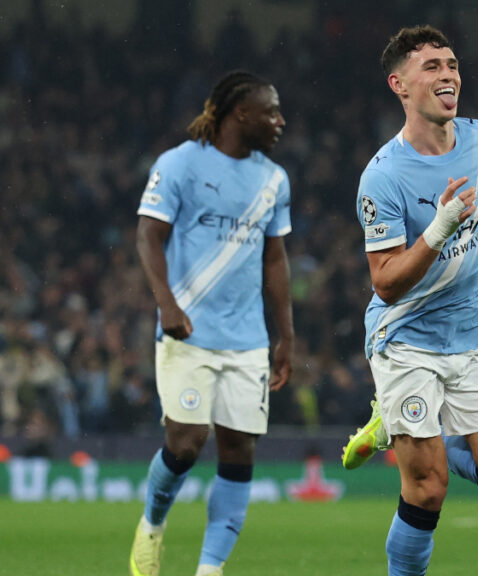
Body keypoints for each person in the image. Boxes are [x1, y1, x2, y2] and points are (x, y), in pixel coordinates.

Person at [340, 26, 478, 575]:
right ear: (399, 85)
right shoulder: (383, 177)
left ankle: (402, 432)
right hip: (405, 339)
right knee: (427, 489)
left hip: (470, 337)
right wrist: (440, 226)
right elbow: (386, 282)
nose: (448, 74)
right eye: (432, 67)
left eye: (452, 65)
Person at [131, 71, 293, 576]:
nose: (279, 121)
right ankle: (153, 523)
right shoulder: (179, 164)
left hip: (247, 340)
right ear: (240, 113)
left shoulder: (274, 179)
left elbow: (275, 259)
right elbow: (147, 237)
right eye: (270, 111)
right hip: (189, 332)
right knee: (185, 442)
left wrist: (285, 334)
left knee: (238, 450)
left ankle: (210, 569)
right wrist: (166, 305)